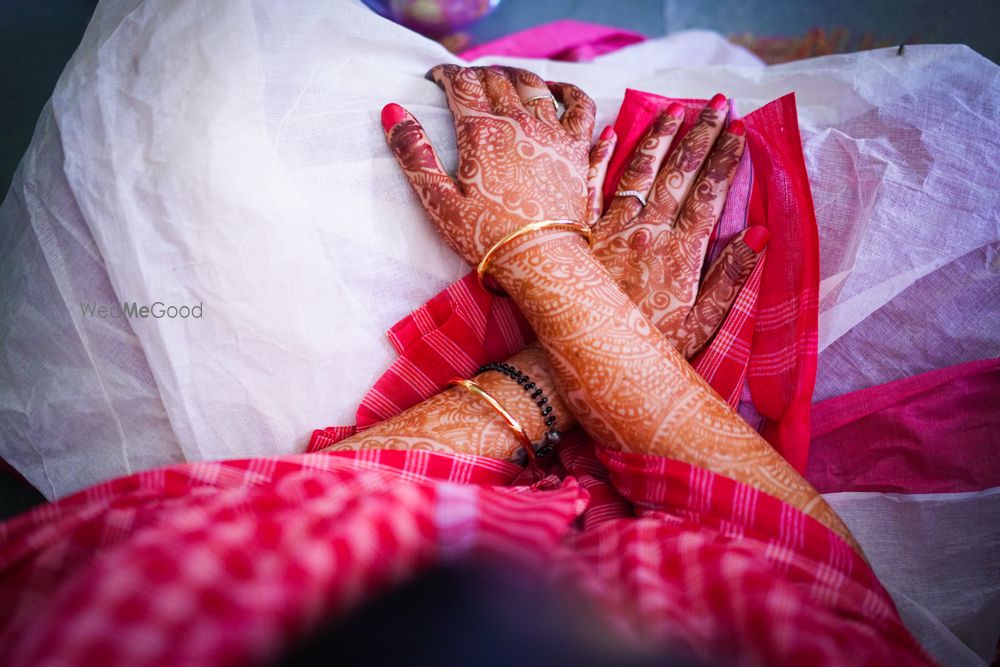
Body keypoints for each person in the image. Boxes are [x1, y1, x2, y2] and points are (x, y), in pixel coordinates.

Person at [0, 65, 933, 666]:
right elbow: (809, 571)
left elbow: (271, 508)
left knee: (169, 103)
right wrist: (568, 285)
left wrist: (553, 286)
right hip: (641, 372)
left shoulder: (123, 632)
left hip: (464, 393)